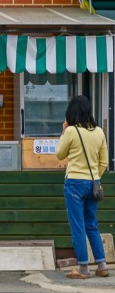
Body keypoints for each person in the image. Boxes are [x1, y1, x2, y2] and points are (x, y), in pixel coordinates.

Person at [56, 95, 109, 279]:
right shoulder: (99, 132)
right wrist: (95, 177)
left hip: (74, 184)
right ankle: (102, 265)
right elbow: (104, 162)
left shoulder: (71, 132)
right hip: (93, 184)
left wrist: (63, 131)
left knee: (77, 226)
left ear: (72, 112)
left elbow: (59, 154)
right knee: (91, 225)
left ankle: (84, 268)